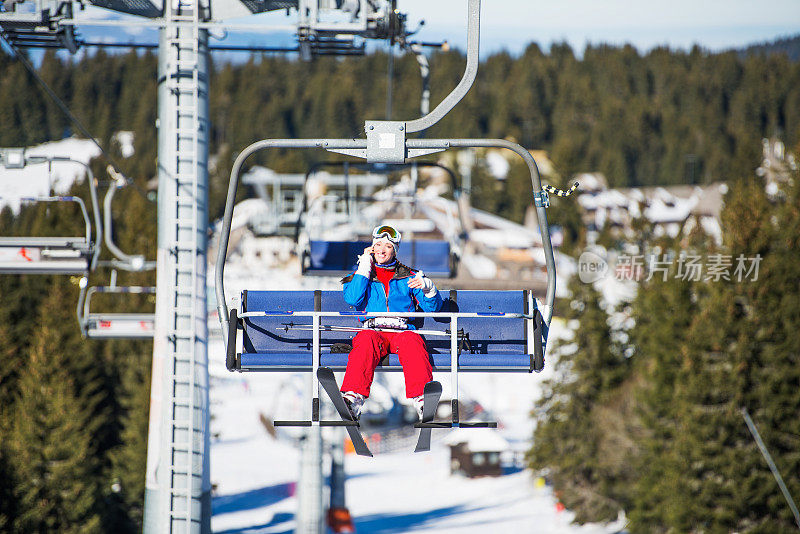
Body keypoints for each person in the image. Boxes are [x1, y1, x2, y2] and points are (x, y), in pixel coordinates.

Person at [339, 224, 443, 421]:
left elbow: (434, 308)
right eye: (378, 244)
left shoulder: (409, 276)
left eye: (387, 246)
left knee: (412, 342)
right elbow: (353, 298)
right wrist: (364, 266)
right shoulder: (361, 276)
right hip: (374, 329)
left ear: (394, 250)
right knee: (365, 341)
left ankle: (422, 399)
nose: (381, 250)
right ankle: (353, 398)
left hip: (401, 330)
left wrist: (429, 289)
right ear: (371, 247)